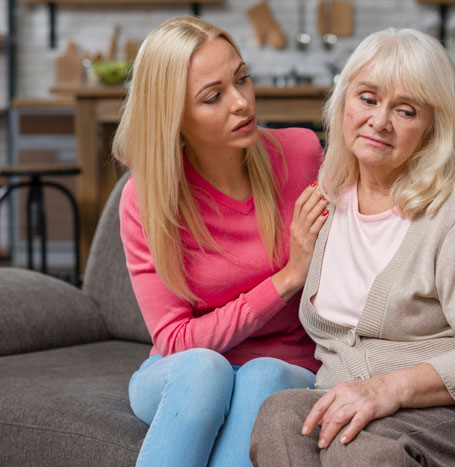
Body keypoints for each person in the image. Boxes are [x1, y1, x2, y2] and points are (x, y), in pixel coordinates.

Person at [250, 28, 455, 467]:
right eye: (368, 98)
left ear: (433, 127)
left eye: (406, 110)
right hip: (361, 400)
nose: (380, 121)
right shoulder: (327, 197)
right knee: (279, 416)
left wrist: (387, 390)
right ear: (342, 103)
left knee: (356, 448)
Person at [113, 16, 328, 467]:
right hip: (182, 374)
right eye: (213, 96)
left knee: (261, 374)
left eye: (242, 79)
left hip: (284, 367)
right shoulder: (147, 197)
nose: (241, 102)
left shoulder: (303, 155)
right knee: (204, 367)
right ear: (173, 117)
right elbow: (175, 340)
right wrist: (288, 278)